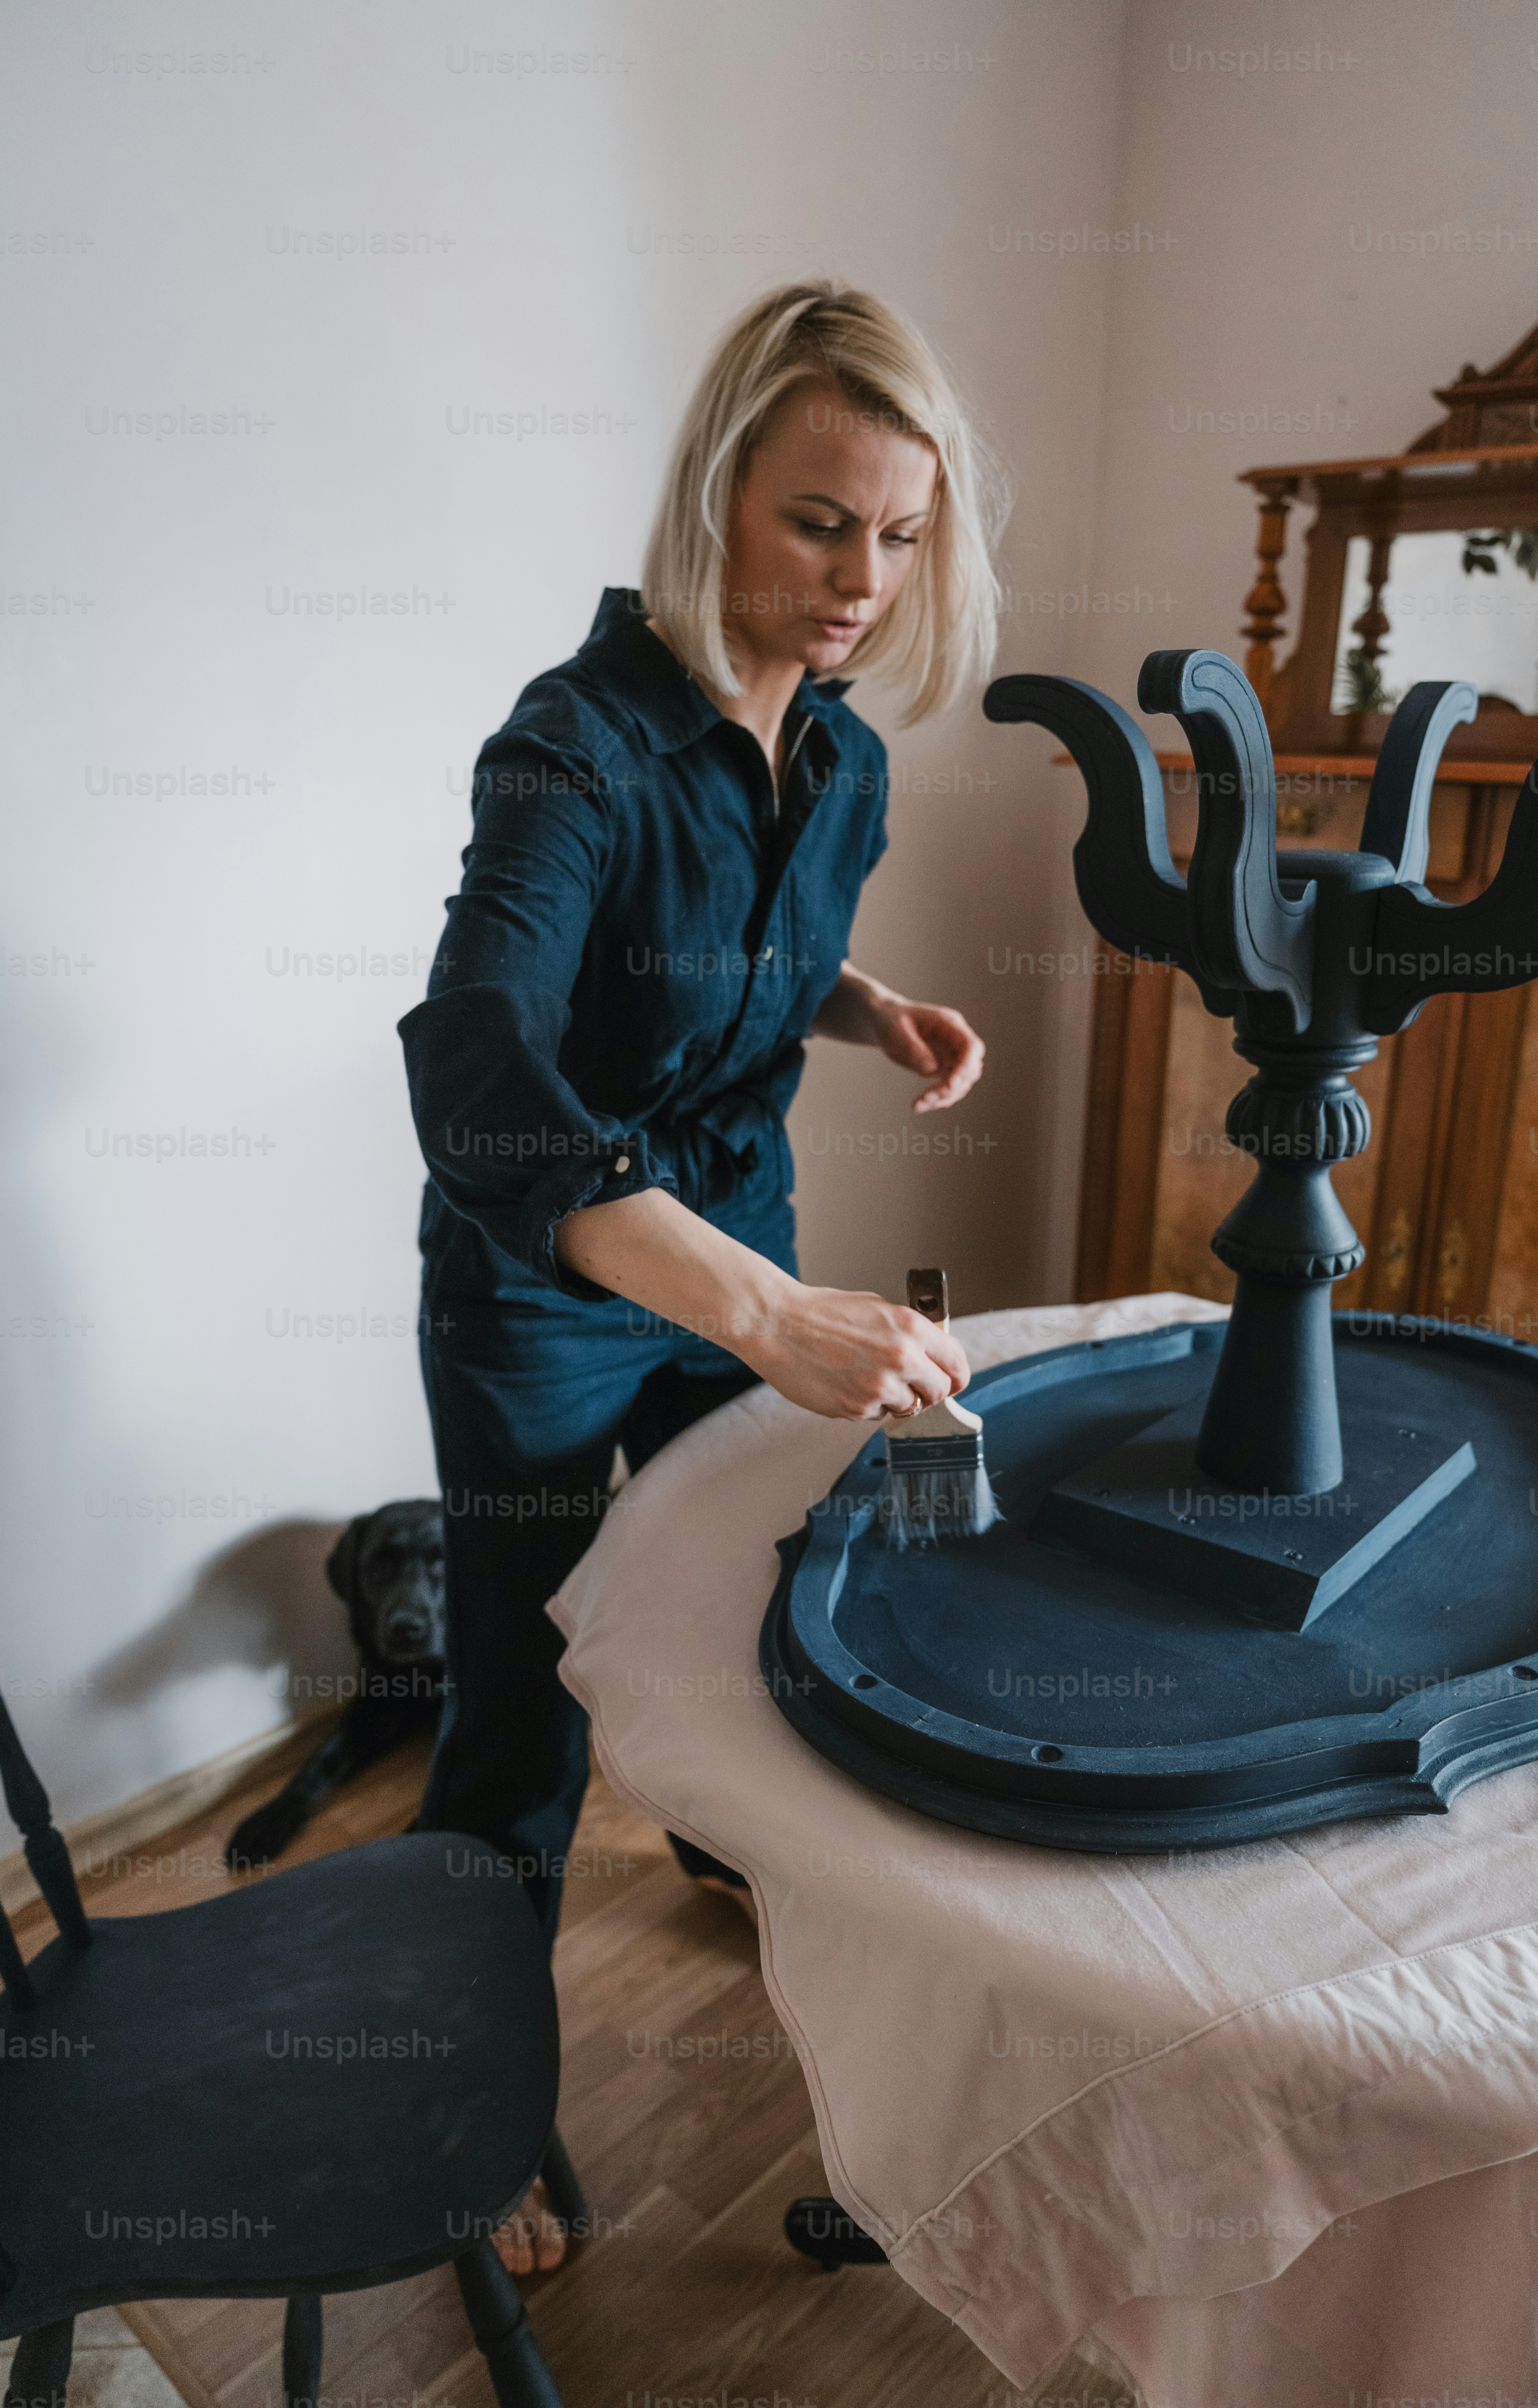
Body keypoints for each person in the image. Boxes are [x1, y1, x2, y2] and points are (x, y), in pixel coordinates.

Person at [398, 279, 1003, 2264]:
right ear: (718, 494)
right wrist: (756, 1312)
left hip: (738, 1225)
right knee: (525, 1713)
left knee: (760, 1612)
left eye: (903, 536)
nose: (864, 582)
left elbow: (725, 953)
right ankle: (463, 2125)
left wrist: (863, 1005)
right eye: (820, 522)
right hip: (559, 1290)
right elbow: (482, 1057)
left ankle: (726, 1854)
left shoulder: (836, 758)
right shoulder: (567, 748)